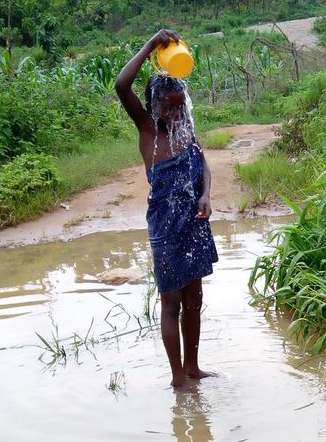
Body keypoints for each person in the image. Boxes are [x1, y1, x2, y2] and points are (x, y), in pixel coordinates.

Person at [115, 29, 218, 388]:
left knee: (195, 300)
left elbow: (204, 164)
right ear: (154, 106)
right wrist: (149, 45)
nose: (176, 111)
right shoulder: (148, 130)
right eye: (169, 106)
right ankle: (178, 378)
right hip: (166, 230)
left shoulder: (186, 128)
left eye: (180, 104)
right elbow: (121, 85)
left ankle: (193, 368)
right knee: (171, 302)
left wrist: (206, 196)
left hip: (194, 223)